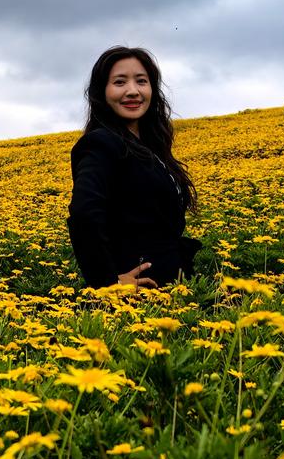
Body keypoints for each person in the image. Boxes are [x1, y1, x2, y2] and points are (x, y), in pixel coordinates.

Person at [67, 46, 202, 291]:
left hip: (174, 289)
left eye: (141, 81)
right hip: (137, 300)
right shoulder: (100, 143)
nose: (133, 91)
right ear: (102, 91)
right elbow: (84, 216)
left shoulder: (152, 148)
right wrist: (108, 284)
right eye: (119, 82)